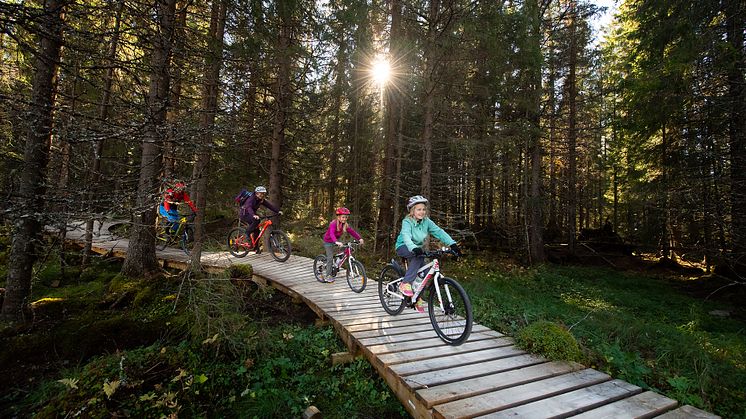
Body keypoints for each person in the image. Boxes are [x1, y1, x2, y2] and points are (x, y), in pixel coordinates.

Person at [394, 195, 461, 312]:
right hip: (403, 246)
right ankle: (405, 283)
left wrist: (453, 244)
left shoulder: (426, 222)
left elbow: (439, 232)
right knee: (417, 256)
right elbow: (406, 236)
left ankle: (416, 296)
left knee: (425, 272)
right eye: (418, 209)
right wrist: (413, 248)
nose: (422, 212)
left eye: (424, 209)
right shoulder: (407, 221)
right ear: (412, 210)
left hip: (417, 249)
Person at [321, 207, 364, 282]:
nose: (344, 219)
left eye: (346, 217)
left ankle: (337, 263)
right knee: (330, 258)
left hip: (336, 241)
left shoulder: (345, 225)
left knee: (347, 249)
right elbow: (331, 233)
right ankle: (328, 276)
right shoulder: (333, 223)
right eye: (343, 217)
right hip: (328, 241)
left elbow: (352, 232)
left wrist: (359, 238)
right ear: (338, 217)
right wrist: (336, 241)